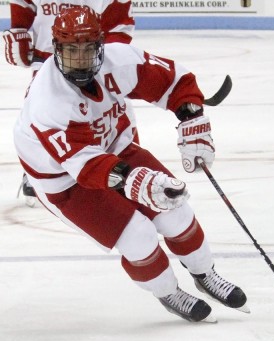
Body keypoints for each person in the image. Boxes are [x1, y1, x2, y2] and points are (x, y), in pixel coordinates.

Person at [13, 6, 249, 322]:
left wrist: (192, 118)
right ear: (56, 49)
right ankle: (168, 291)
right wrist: (136, 181)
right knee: (138, 235)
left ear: (101, 45)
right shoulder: (48, 100)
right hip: (65, 181)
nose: (80, 59)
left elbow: (172, 80)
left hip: (117, 148)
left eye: (88, 49)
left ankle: (205, 274)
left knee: (175, 211)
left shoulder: (119, 58)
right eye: (71, 51)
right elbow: (86, 166)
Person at [3, 0, 137, 206]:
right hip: (47, 56)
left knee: (112, 114)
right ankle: (40, 171)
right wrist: (19, 28)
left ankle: (122, 168)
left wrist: (103, 60)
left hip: (92, 59)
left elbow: (119, 23)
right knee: (42, 116)